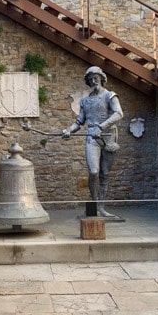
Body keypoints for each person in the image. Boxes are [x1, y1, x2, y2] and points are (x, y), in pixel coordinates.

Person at [62, 66, 123, 217]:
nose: (93, 80)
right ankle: (94, 204)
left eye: (96, 77)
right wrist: (69, 130)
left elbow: (118, 113)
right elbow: (79, 121)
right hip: (92, 138)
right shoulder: (85, 101)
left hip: (108, 137)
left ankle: (101, 208)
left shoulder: (110, 96)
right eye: (90, 79)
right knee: (94, 172)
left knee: (105, 174)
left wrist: (101, 126)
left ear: (102, 78)